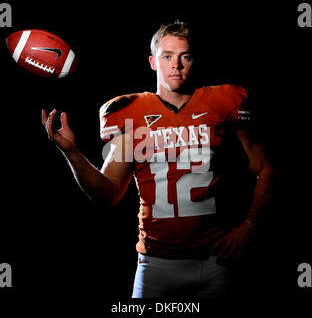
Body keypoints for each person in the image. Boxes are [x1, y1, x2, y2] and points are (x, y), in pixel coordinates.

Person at [42, 21, 274, 298]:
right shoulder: (129, 111)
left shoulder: (223, 101)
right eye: (167, 56)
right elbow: (107, 194)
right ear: (153, 62)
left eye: (185, 56)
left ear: (194, 60)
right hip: (156, 266)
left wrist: (249, 226)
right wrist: (72, 153)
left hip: (217, 261)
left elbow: (268, 168)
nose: (176, 65)